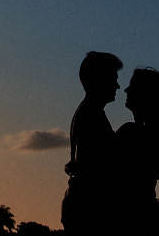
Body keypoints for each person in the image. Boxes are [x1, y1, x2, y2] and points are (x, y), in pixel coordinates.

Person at [62, 51, 123, 234]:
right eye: (113, 78)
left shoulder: (89, 113)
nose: (117, 85)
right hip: (88, 212)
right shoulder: (91, 116)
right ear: (98, 80)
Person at [113, 67, 159, 234]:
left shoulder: (131, 133)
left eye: (132, 86)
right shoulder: (155, 137)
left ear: (145, 94)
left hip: (130, 220)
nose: (126, 89)